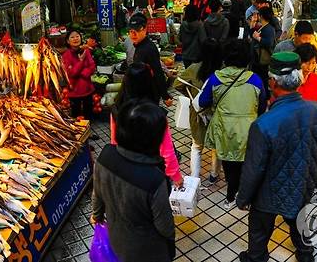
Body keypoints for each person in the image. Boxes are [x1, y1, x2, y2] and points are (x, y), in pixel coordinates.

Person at [237, 52, 317, 262]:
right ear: (299, 79)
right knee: (299, 224)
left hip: (267, 194)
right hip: (302, 184)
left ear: (272, 82)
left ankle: (256, 257)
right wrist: (311, 181)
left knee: (259, 230)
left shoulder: (263, 124)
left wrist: (243, 198)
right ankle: (306, 256)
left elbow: (253, 169)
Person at [91, 100, 175, 262]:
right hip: (148, 251)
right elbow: (165, 228)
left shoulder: (106, 155)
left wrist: (97, 215)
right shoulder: (153, 178)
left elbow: (98, 194)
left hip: (117, 240)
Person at [199, 39, 266, 209]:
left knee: (229, 163)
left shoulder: (215, 78)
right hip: (248, 130)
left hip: (224, 129)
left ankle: (230, 195)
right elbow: (262, 105)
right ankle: (244, 196)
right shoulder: (256, 80)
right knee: (245, 163)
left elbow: (203, 101)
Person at [112, 63, 182, 187]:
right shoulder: (154, 114)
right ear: (148, 84)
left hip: (128, 173)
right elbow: (167, 151)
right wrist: (176, 176)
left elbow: (115, 142)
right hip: (152, 173)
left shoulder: (117, 108)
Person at [174, 38, 223, 181]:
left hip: (197, 113)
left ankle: (194, 177)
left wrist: (191, 95)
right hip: (217, 113)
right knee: (216, 145)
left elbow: (177, 84)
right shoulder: (222, 71)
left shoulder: (193, 68)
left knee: (196, 146)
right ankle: (214, 174)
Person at [128, 13, 173, 107]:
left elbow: (158, 72)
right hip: (141, 95)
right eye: (131, 31)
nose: (133, 34)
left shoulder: (148, 48)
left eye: (137, 30)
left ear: (145, 29)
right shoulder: (140, 46)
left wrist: (165, 96)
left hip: (148, 95)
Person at [61, 30, 96, 119]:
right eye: (72, 37)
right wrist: (81, 61)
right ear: (68, 41)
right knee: (76, 117)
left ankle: (89, 131)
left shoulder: (86, 51)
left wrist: (82, 74)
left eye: (77, 36)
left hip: (88, 89)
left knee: (89, 114)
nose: (75, 39)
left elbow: (92, 66)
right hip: (74, 91)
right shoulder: (66, 55)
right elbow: (71, 73)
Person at [250, 6, 276, 96]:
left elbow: (269, 43)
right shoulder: (263, 26)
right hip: (258, 59)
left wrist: (258, 38)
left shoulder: (269, 29)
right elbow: (253, 35)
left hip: (263, 60)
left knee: (263, 80)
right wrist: (252, 24)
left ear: (261, 16)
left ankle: (264, 97)